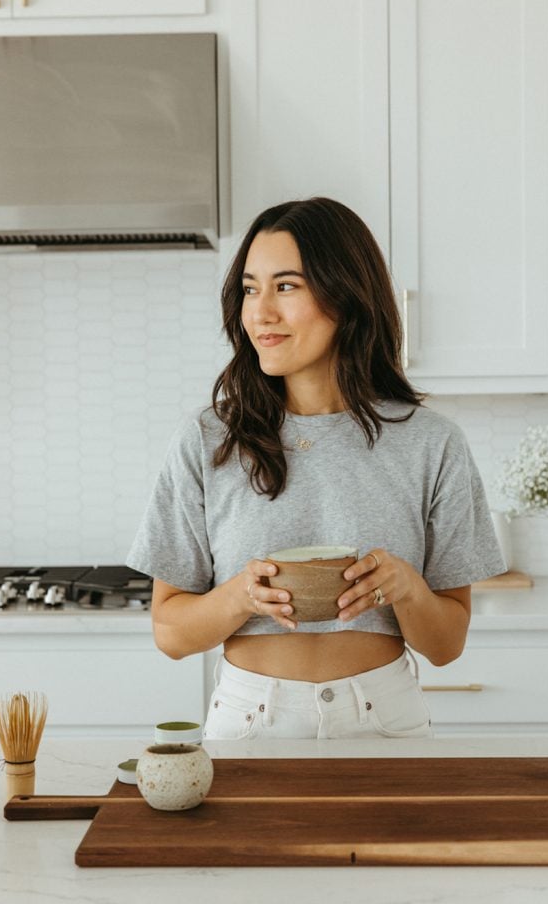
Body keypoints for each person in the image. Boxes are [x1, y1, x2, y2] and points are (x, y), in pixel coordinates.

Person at [126, 197, 506, 740]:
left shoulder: (430, 442)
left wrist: (407, 588)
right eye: (250, 290)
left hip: (387, 718)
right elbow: (170, 632)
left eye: (286, 286)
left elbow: (447, 646)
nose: (260, 313)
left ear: (346, 295)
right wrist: (240, 596)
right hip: (250, 721)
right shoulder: (208, 439)